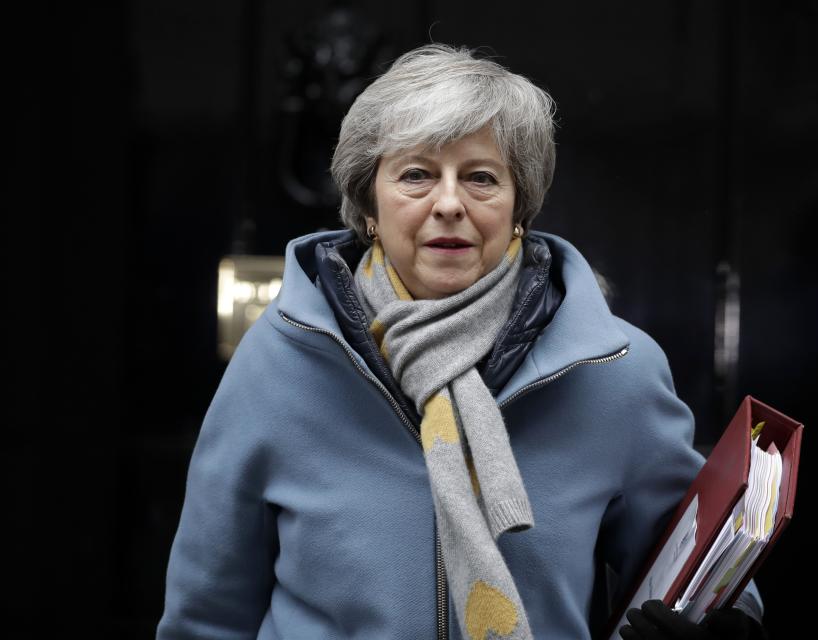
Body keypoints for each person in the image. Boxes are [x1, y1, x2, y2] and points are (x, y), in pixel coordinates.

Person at [157, 44, 767, 640]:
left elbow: (697, 566)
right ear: (369, 204)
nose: (449, 204)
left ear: (519, 205)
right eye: (417, 175)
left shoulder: (615, 371)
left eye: (480, 178)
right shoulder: (278, 363)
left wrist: (723, 622)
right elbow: (206, 616)